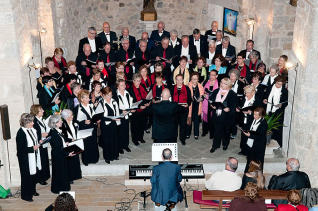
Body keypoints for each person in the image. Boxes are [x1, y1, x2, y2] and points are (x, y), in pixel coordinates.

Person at [16, 113, 41, 202]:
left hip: (32, 156)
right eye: (31, 121)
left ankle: (32, 191)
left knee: (33, 174)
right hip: (25, 159)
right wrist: (32, 148)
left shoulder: (31, 130)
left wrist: (39, 142)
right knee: (26, 177)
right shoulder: (21, 133)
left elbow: (34, 140)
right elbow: (20, 150)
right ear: (26, 122)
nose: (33, 123)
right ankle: (26, 196)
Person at [48, 114, 75, 194]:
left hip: (60, 154)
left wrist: (67, 141)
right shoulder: (53, 133)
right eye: (60, 120)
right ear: (56, 123)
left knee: (62, 172)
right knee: (59, 172)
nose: (62, 121)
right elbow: (57, 148)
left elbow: (62, 141)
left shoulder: (57, 131)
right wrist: (67, 154)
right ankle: (58, 188)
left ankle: (63, 187)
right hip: (58, 156)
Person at [209, 78, 237, 153]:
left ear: (228, 85)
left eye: (224, 83)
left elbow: (233, 106)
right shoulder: (216, 91)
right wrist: (212, 106)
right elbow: (211, 100)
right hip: (217, 114)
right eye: (221, 82)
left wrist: (229, 108)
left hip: (226, 116)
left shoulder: (232, 94)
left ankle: (225, 144)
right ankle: (215, 145)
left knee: (226, 131)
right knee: (216, 131)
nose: (221, 84)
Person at [73, 90, 99, 165]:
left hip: (92, 128)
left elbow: (93, 115)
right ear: (81, 99)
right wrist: (83, 122)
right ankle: (86, 160)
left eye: (89, 97)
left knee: (93, 144)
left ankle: (94, 159)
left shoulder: (90, 105)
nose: (89, 99)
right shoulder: (78, 108)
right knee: (86, 145)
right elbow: (75, 121)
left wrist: (96, 118)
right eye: (87, 98)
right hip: (84, 130)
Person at [263, 76, 288, 148]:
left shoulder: (284, 91)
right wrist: (264, 99)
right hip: (268, 109)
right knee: (266, 126)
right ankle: (266, 140)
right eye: (277, 83)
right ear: (275, 82)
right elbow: (265, 95)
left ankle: (276, 143)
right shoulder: (270, 87)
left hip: (278, 112)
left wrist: (281, 105)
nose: (278, 85)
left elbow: (286, 102)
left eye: (280, 84)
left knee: (277, 128)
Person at [30, 105, 50, 186]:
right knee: (40, 162)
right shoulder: (34, 121)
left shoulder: (40, 119)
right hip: (39, 144)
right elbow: (33, 132)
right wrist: (42, 134)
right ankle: (41, 178)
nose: (43, 111)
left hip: (43, 143)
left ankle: (45, 176)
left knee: (44, 160)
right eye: (41, 110)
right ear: (36, 111)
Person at [99, 87, 120, 164]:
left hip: (114, 123)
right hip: (105, 125)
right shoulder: (100, 103)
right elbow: (101, 117)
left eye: (111, 95)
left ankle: (115, 155)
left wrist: (118, 119)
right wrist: (112, 119)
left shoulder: (114, 101)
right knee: (107, 141)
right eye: (108, 95)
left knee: (114, 139)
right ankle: (107, 157)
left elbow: (117, 112)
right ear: (103, 95)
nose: (110, 97)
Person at [61, 109, 82, 183]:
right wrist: (70, 140)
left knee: (75, 160)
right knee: (69, 161)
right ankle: (70, 177)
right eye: (71, 115)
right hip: (68, 144)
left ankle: (76, 175)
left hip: (75, 143)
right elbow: (63, 136)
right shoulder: (63, 125)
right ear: (66, 117)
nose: (73, 116)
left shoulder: (74, 122)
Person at [113, 79, 134, 153]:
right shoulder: (115, 95)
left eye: (124, 85)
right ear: (117, 86)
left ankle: (126, 145)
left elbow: (130, 102)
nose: (124, 86)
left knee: (126, 131)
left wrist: (132, 109)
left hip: (127, 115)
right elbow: (114, 106)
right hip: (120, 116)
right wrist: (121, 111)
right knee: (120, 132)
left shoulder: (127, 93)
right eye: (122, 85)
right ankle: (120, 147)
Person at [128, 73, 150, 145]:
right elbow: (131, 102)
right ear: (133, 81)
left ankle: (141, 137)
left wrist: (148, 102)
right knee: (135, 126)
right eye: (137, 81)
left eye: (140, 81)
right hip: (136, 111)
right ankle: (135, 139)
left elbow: (146, 96)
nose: (139, 82)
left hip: (144, 109)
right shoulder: (130, 90)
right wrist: (139, 107)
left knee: (142, 124)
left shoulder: (142, 86)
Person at [171, 74, 192, 145]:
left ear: (183, 80)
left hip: (184, 109)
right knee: (174, 125)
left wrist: (187, 104)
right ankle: (174, 139)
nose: (179, 81)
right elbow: (170, 99)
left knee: (183, 125)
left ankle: (182, 138)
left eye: (180, 79)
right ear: (175, 80)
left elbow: (190, 99)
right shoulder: (172, 88)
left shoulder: (186, 88)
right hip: (174, 109)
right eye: (177, 79)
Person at [186, 72, 204, 140]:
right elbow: (186, 96)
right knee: (189, 119)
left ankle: (196, 134)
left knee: (196, 120)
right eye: (193, 79)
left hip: (197, 105)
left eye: (196, 79)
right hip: (190, 105)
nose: (194, 80)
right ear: (191, 79)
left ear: (198, 79)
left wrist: (201, 98)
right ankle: (188, 133)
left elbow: (202, 95)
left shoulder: (200, 86)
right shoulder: (188, 86)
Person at [202, 70, 219, 138]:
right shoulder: (207, 81)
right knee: (205, 117)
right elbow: (202, 90)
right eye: (210, 75)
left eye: (213, 75)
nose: (211, 76)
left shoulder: (218, 84)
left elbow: (218, 94)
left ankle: (212, 133)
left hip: (213, 103)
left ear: (216, 76)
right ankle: (204, 131)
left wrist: (209, 96)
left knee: (212, 118)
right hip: (206, 102)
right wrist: (204, 94)